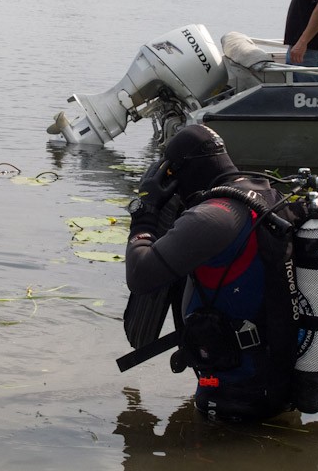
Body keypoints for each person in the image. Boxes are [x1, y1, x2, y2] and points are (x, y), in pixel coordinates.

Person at [124, 124, 300, 422]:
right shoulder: (265, 195)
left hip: (233, 393)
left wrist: (144, 212)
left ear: (173, 172)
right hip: (275, 377)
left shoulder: (213, 216)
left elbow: (141, 276)